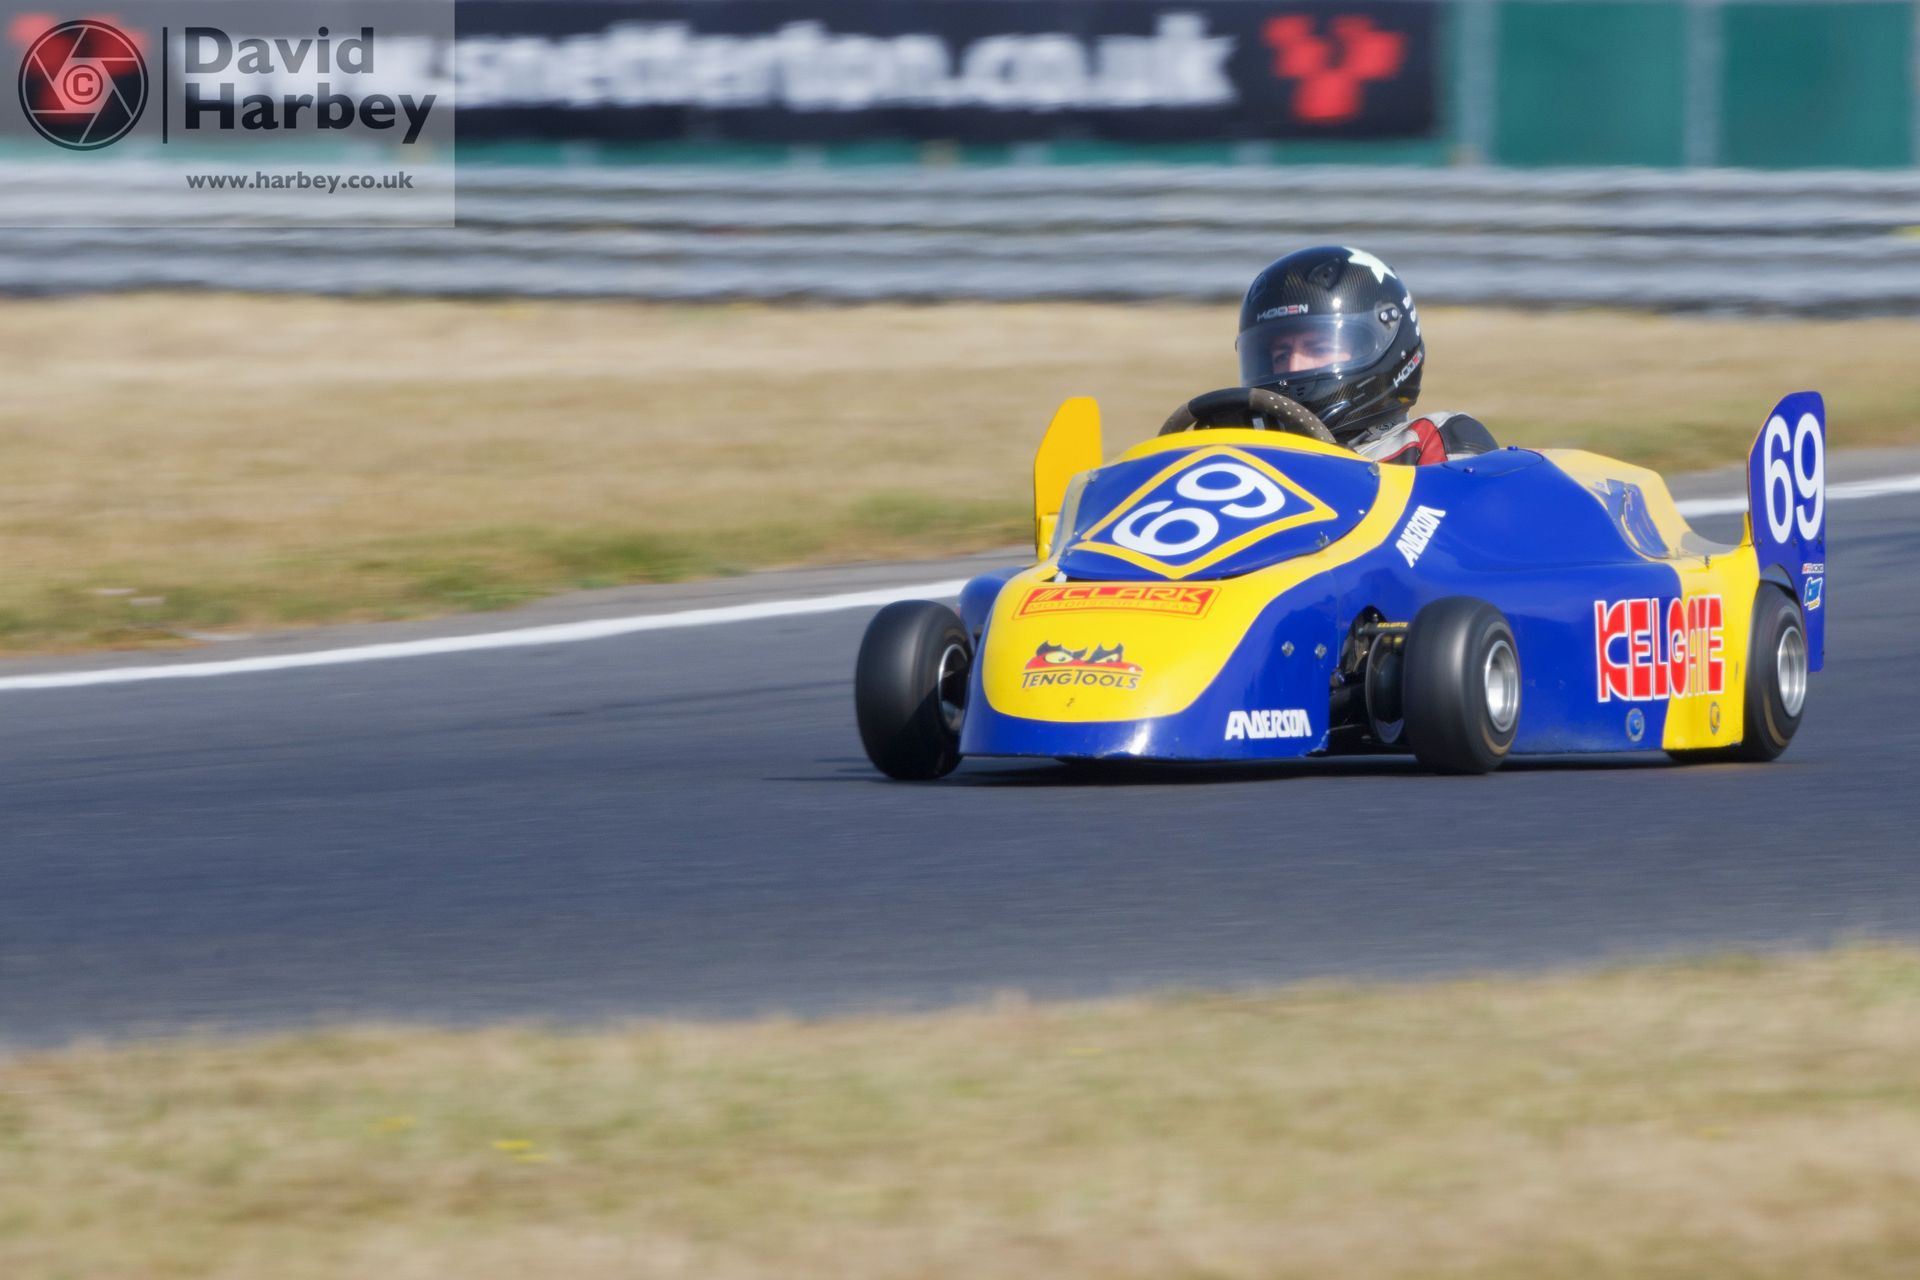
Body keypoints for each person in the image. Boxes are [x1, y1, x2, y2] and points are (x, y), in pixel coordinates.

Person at [1236, 245, 1496, 465]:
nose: (1294, 366)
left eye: (1318, 348)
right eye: (1280, 355)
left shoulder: (1429, 442)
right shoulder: (1249, 458)